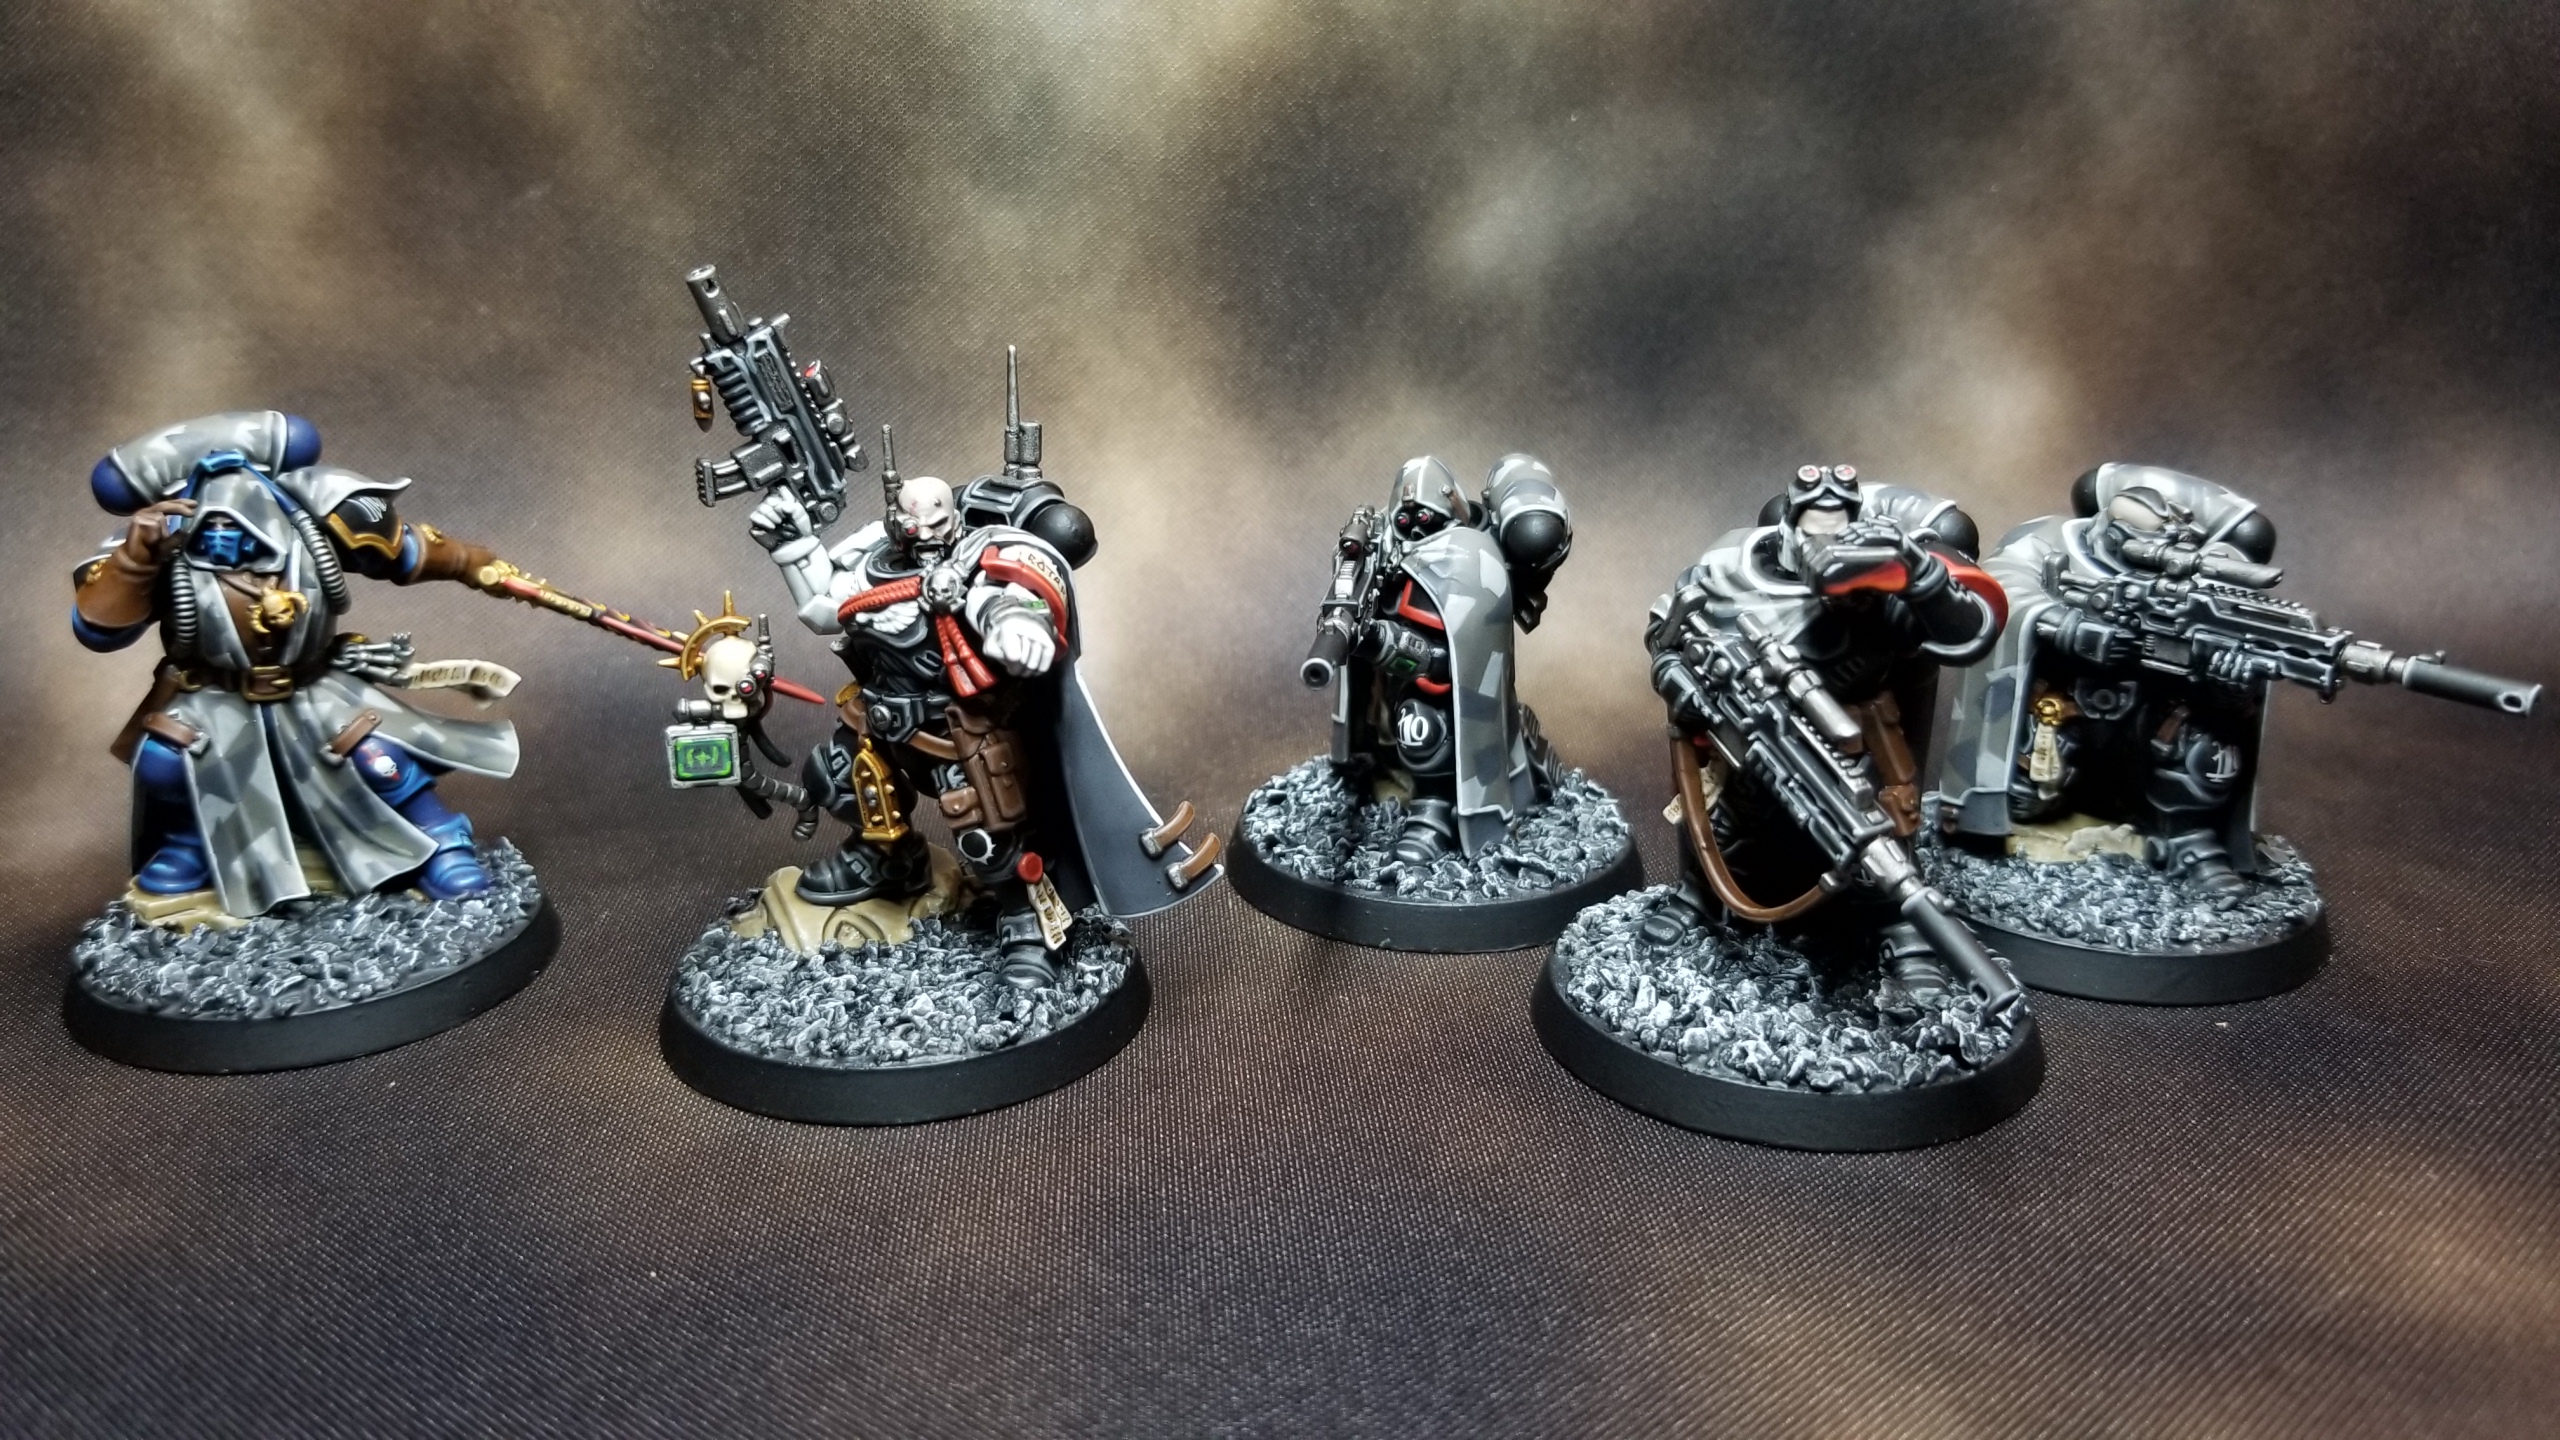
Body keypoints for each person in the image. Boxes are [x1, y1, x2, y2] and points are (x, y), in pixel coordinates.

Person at [74, 411, 520, 918]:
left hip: (313, 687)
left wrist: (474, 565)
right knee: (167, 758)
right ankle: (192, 846)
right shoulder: (156, 541)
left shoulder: (312, 515)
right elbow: (99, 630)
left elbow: (404, 551)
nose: (226, 521)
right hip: (216, 697)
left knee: (375, 754)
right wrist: (137, 560)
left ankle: (440, 840)